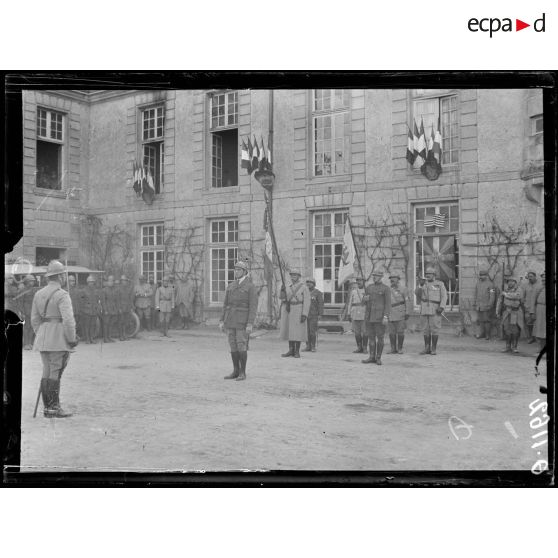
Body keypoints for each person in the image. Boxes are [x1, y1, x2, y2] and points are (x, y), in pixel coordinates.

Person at [31, 260, 78, 418]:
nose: (65, 278)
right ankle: (53, 408)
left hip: (43, 339)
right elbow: (69, 321)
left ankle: (47, 408)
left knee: (47, 371)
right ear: (59, 277)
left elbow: (34, 320)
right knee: (55, 372)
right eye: (63, 275)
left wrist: (42, 334)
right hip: (58, 339)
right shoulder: (62, 295)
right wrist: (71, 339)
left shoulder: (38, 294)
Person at [219, 261, 258, 381]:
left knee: (241, 345)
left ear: (245, 272)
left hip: (242, 320)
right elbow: (225, 305)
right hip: (230, 320)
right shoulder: (231, 286)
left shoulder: (250, 287)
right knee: (233, 345)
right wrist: (222, 320)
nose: (236, 272)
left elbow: (253, 307)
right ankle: (235, 371)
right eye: (235, 270)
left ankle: (243, 372)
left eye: (239, 270)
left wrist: (250, 323)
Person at [361, 268, 391, 366]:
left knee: (380, 338)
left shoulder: (385, 288)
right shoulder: (369, 287)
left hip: (380, 317)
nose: (375, 277)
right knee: (371, 338)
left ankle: (378, 358)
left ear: (381, 277)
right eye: (374, 276)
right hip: (369, 317)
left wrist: (386, 316)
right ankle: (371, 357)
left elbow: (388, 304)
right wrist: (364, 299)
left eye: (377, 276)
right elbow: (363, 303)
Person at [415, 266, 447, 355]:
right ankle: (427, 348)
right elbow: (417, 294)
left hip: (435, 309)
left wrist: (442, 307)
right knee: (425, 329)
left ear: (434, 275)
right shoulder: (423, 284)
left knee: (435, 329)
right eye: (426, 274)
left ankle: (433, 349)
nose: (428, 275)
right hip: (424, 309)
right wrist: (420, 285)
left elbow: (444, 296)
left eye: (430, 274)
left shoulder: (439, 284)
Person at [280, 270, 310, 358]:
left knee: (298, 332)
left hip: (299, 309)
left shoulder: (304, 287)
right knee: (290, 331)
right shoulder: (288, 287)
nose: (293, 277)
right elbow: (282, 298)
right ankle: (291, 350)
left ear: (299, 277)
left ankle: (297, 351)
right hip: (289, 310)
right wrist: (282, 291)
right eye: (292, 275)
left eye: (295, 275)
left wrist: (304, 314)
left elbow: (307, 302)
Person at [496, 274, 524, 354]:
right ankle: (507, 347)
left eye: (512, 282)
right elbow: (500, 301)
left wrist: (506, 294)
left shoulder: (519, 289)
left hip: (515, 313)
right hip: (506, 312)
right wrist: (497, 311)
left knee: (515, 330)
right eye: (509, 282)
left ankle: (514, 347)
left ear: (515, 282)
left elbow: (517, 296)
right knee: (507, 330)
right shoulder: (505, 290)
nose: (510, 283)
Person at [388, 272, 413, 354]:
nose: (392, 280)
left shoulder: (403, 289)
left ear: (398, 280)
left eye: (394, 278)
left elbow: (407, 301)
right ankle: (393, 348)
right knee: (391, 332)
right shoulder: (387, 289)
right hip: (390, 313)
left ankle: (400, 348)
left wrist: (407, 312)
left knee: (400, 331)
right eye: (391, 278)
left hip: (400, 312)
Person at [15, 275, 38, 350]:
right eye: (31, 281)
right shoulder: (22, 290)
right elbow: (20, 302)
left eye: (33, 281)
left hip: (33, 312)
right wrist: (22, 312)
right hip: (26, 312)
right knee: (26, 328)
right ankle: (26, 344)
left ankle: (31, 343)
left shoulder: (34, 290)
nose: (32, 282)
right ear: (27, 282)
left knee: (32, 328)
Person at [473, 269, 496, 340]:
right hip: (479, 306)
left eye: (483, 275)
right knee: (480, 320)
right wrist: (475, 303)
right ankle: (482, 334)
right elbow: (475, 294)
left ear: (486, 276)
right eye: (481, 275)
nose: (482, 277)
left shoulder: (491, 284)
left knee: (487, 320)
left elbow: (492, 296)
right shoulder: (478, 284)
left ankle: (487, 335)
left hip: (486, 306)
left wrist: (490, 305)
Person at [347, 276, 368, 353]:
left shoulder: (367, 291)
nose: (359, 282)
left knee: (365, 332)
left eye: (360, 281)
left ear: (364, 282)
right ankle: (359, 347)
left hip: (364, 313)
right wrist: (348, 313)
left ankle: (365, 348)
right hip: (355, 313)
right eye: (358, 281)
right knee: (357, 332)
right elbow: (350, 303)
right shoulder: (354, 291)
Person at [303, 277, 324, 352]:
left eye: (310, 282)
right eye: (307, 282)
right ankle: (307, 346)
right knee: (306, 332)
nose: (308, 284)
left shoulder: (318, 293)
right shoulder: (304, 292)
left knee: (312, 331)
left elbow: (320, 304)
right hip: (305, 314)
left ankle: (313, 346)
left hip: (314, 315)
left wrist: (320, 314)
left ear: (314, 284)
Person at [80, 275, 101, 344]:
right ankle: (87, 339)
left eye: (92, 282)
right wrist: (84, 309)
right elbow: (81, 301)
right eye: (89, 282)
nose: (91, 283)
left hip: (94, 310)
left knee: (92, 325)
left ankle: (91, 338)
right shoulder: (84, 290)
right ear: (87, 282)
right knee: (87, 325)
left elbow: (98, 300)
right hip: (87, 311)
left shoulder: (96, 290)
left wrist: (98, 308)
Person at [100, 275, 119, 342]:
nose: (112, 282)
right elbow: (103, 301)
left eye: (113, 281)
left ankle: (109, 337)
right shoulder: (104, 290)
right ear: (108, 281)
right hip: (107, 310)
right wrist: (105, 310)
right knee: (106, 324)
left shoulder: (115, 290)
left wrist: (117, 309)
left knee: (111, 324)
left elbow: (116, 300)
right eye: (110, 281)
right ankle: (105, 338)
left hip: (113, 309)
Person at [522, 271, 539, 344]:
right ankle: (531, 337)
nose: (530, 278)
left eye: (531, 276)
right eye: (529, 277)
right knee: (529, 323)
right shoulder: (525, 285)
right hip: (528, 308)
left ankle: (538, 338)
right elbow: (523, 297)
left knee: (538, 323)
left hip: (537, 308)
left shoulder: (540, 285)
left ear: (535, 277)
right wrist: (524, 305)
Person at [118, 275, 135, 341]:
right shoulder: (119, 288)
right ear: (121, 281)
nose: (124, 282)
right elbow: (117, 299)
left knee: (126, 322)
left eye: (125, 280)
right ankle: (120, 336)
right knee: (121, 322)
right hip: (121, 307)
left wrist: (131, 307)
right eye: (123, 280)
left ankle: (125, 335)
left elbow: (130, 298)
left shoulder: (128, 288)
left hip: (127, 307)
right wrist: (119, 308)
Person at [533, 272, 546, 352]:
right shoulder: (538, 287)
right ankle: (541, 347)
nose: (544, 281)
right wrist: (532, 312)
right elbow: (533, 301)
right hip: (540, 309)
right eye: (543, 280)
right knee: (540, 329)